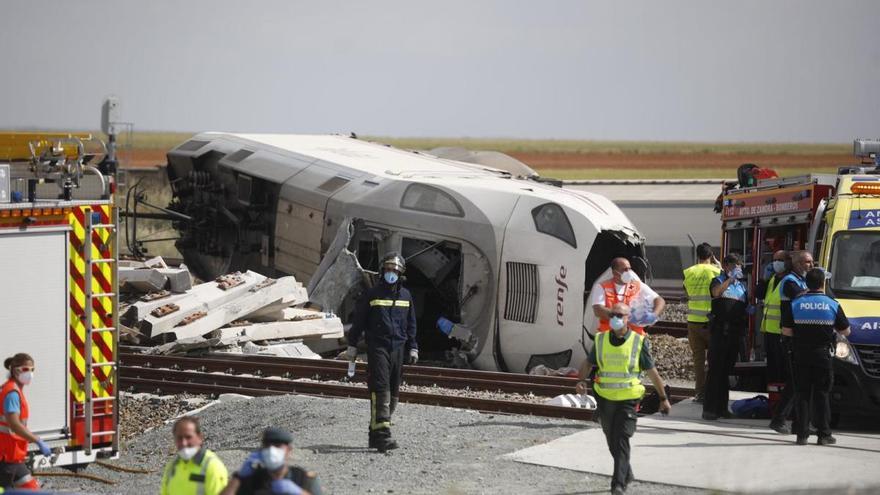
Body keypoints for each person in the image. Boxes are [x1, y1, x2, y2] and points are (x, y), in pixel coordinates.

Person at [576, 302, 671, 495]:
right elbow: (588, 363)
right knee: (612, 440)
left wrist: (663, 398)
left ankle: (618, 484)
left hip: (628, 400)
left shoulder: (638, 342)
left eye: (620, 315)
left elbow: (652, 373)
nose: (616, 318)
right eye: (613, 315)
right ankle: (626, 471)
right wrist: (580, 380)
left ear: (628, 319)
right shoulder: (601, 340)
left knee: (621, 439)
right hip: (604, 398)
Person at [346, 252, 418, 452]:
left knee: (393, 394)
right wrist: (352, 344)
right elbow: (359, 320)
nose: (391, 273)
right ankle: (382, 436)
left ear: (401, 273)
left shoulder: (406, 296)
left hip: (398, 348)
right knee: (381, 387)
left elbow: (411, 323)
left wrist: (413, 346)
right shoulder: (372, 294)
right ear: (382, 271)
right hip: (377, 346)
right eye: (388, 269)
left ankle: (374, 433)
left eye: (395, 270)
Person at [783, 268, 850, 445]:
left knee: (802, 393)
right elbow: (846, 330)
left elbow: (786, 331)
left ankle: (802, 434)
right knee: (822, 394)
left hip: (801, 354)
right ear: (823, 283)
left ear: (806, 284)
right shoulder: (832, 304)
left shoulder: (796, 303)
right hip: (823, 355)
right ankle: (823, 434)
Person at [771, 250, 814, 434]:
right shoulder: (790, 281)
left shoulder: (801, 280)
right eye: (808, 262)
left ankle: (800, 424)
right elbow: (802, 299)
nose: (811, 266)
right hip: (791, 338)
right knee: (796, 382)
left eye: (812, 262)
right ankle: (779, 419)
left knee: (802, 381)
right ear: (797, 263)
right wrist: (817, 287)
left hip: (801, 337)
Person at [703, 254, 749, 420]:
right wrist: (729, 280)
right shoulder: (717, 280)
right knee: (715, 371)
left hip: (735, 333)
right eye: (735, 265)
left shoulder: (742, 287)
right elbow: (715, 293)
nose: (738, 268)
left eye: (740, 265)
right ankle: (709, 409)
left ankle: (722, 408)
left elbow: (745, 306)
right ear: (726, 266)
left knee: (725, 373)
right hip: (720, 332)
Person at [0, 353, 50, 491]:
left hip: (12, 457)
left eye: (32, 370)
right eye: (26, 369)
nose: (30, 374)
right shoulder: (12, 393)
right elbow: (14, 424)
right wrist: (37, 440)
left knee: (30, 489)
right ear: (16, 370)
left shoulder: (12, 389)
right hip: (7, 457)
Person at [222, 427, 320, 495]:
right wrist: (238, 477)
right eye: (267, 446)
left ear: (288, 450)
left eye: (277, 446)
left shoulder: (303, 479)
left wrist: (299, 493)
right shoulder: (254, 480)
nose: (271, 450)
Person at [682, 243, 722, 403]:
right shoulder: (716, 271)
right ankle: (712, 393)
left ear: (697, 255)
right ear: (711, 255)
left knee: (698, 360)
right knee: (713, 359)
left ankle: (699, 393)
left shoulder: (688, 272)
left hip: (693, 322)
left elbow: (686, 292)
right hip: (711, 322)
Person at [592, 257, 665, 335]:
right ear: (615, 273)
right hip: (609, 336)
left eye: (629, 269)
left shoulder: (636, 285)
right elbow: (598, 310)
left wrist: (653, 315)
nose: (629, 272)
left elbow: (659, 300)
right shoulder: (602, 287)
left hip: (634, 337)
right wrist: (623, 316)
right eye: (625, 269)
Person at [160, 417, 228, 495]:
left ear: (200, 437)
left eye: (188, 437)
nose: (184, 443)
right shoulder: (171, 467)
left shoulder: (212, 467)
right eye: (179, 438)